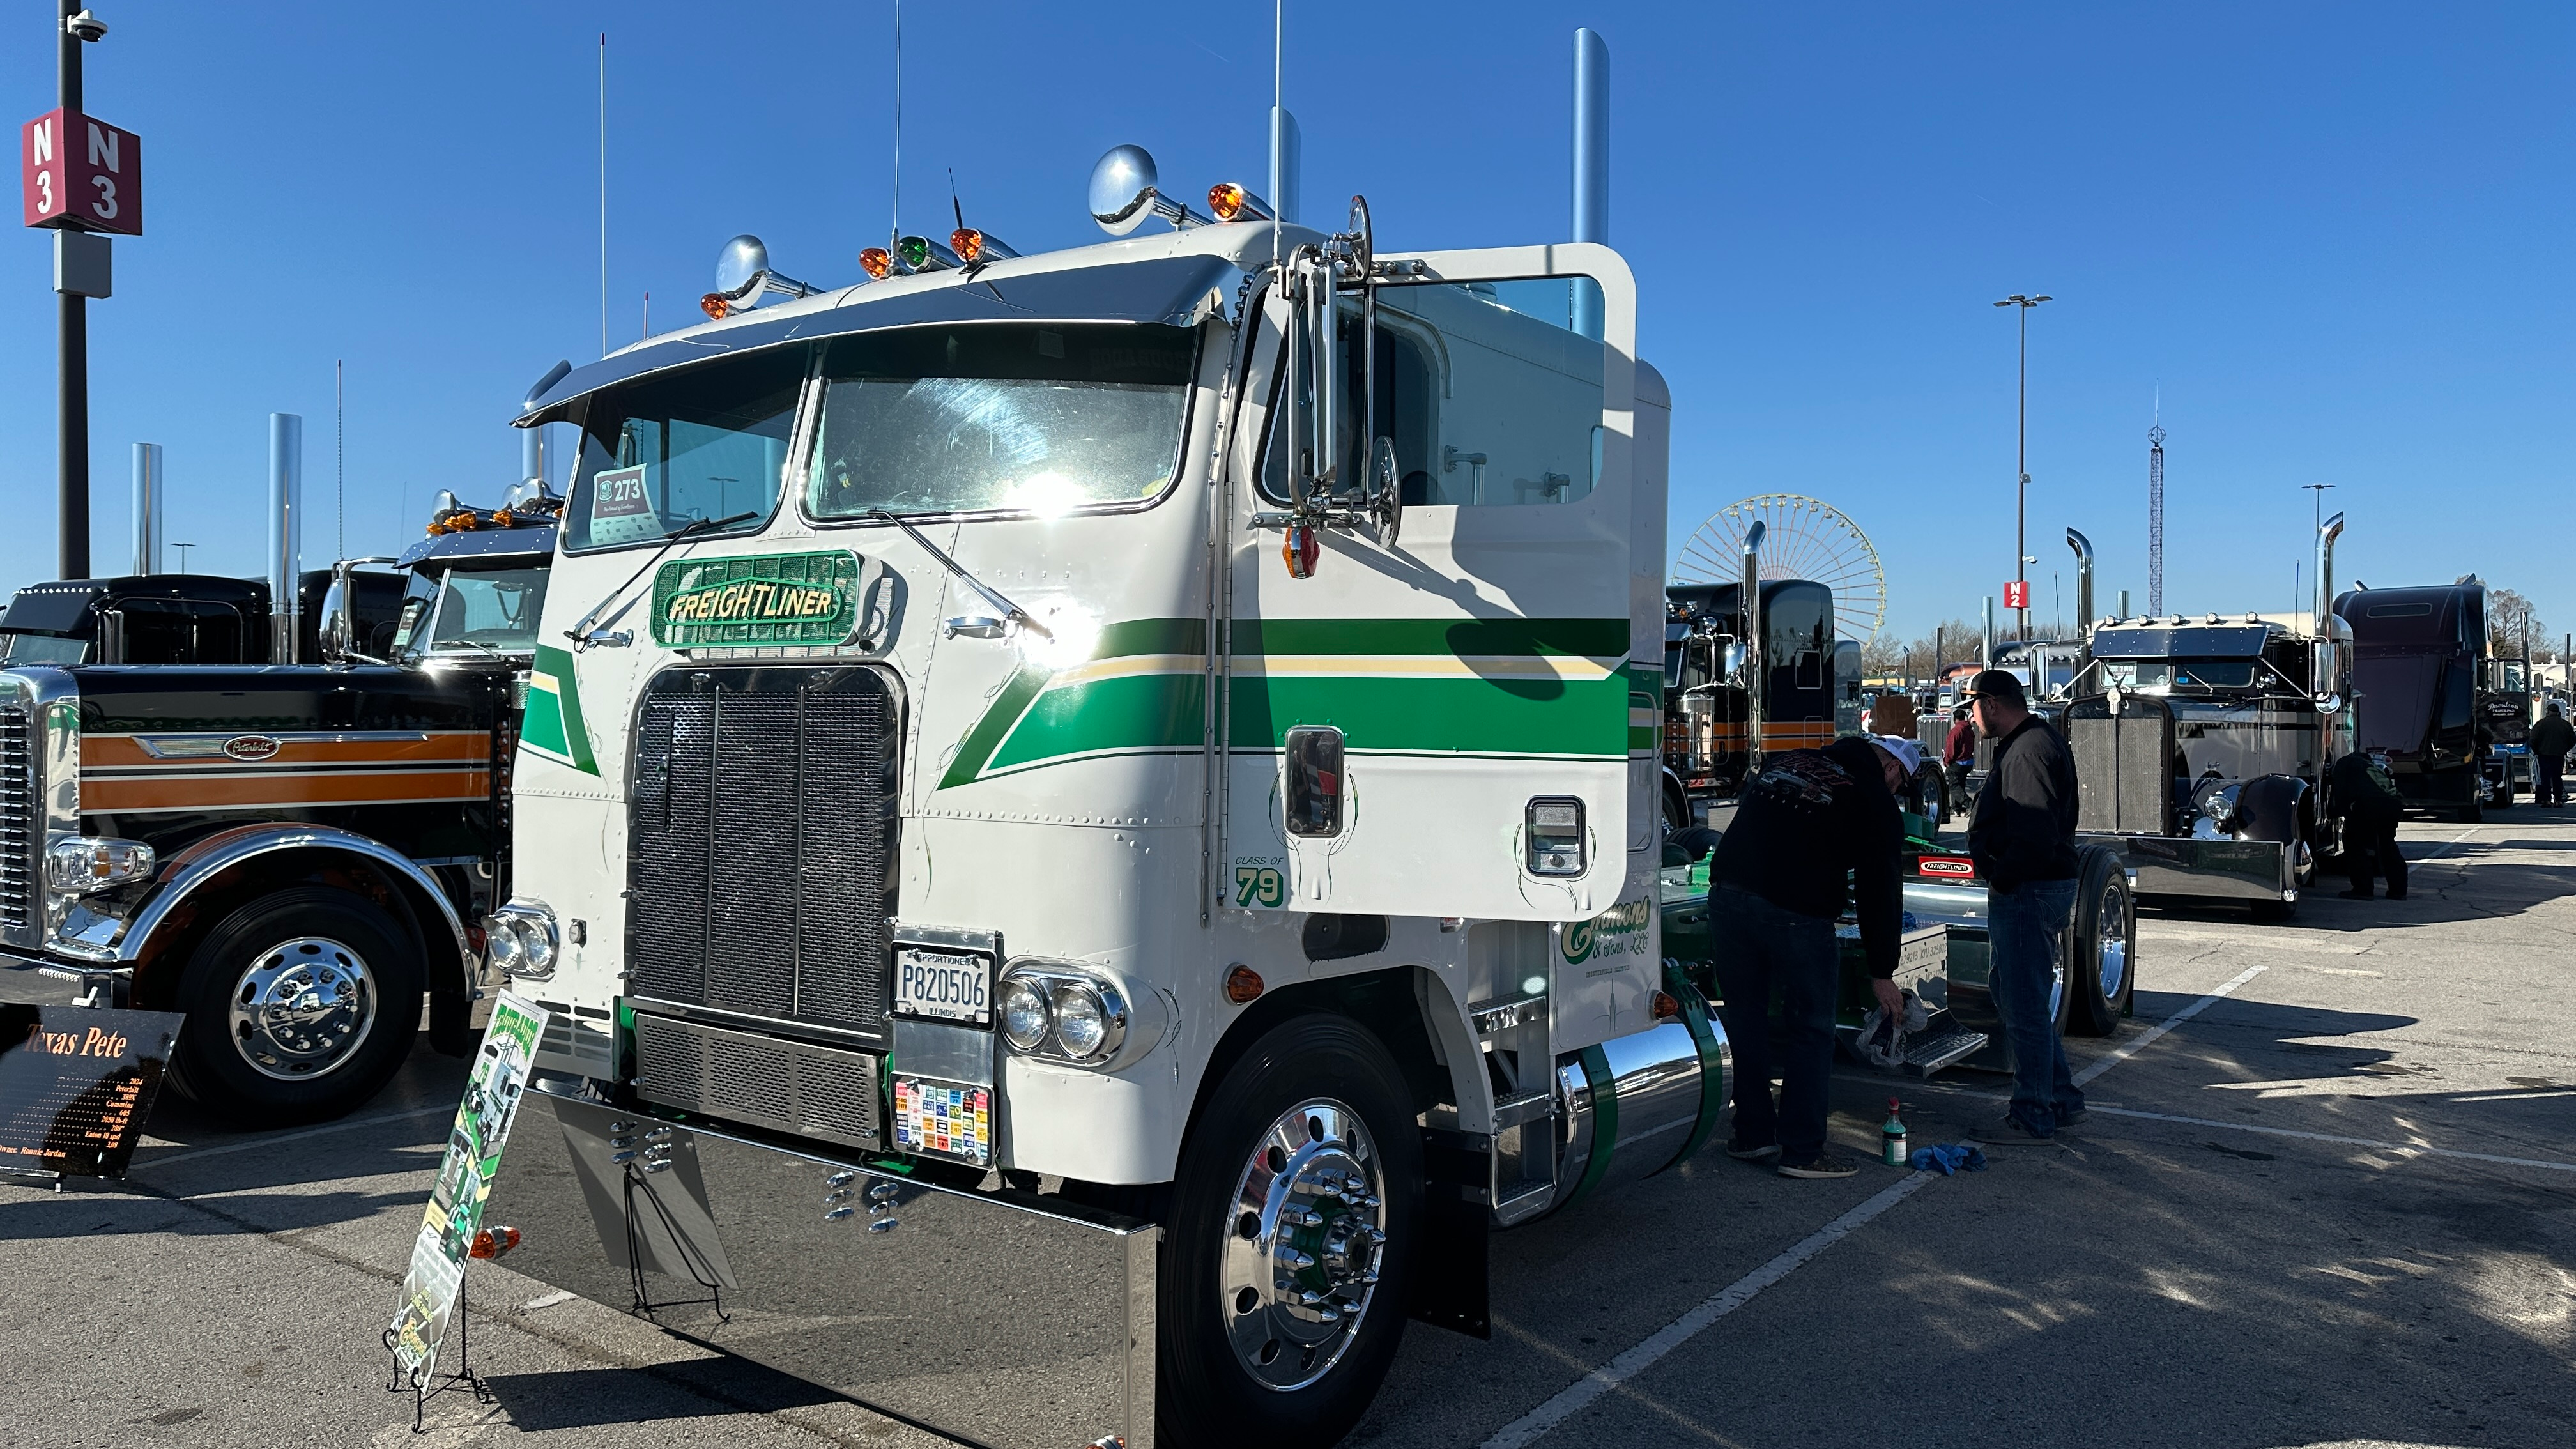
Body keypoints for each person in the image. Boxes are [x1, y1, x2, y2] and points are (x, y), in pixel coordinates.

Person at [1703, 733, 1916, 1180]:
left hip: (1727, 897)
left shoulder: (1791, 760)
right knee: (1811, 1029)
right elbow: (1880, 891)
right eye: (1900, 784)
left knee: (1745, 1019)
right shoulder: (1873, 795)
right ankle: (1802, 1151)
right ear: (1892, 769)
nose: (1896, 791)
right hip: (1795, 913)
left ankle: (1752, 1134)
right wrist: (1882, 972)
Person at [1958, 670, 2084, 1146]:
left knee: (2024, 1004)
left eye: (1973, 706)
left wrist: (2003, 877)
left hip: (2029, 890)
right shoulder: (2030, 742)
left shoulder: (2029, 749)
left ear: (1992, 703)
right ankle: (2061, 1098)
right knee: (2016, 995)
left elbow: (2034, 834)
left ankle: (2032, 1114)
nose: (1970, 718)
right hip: (2034, 887)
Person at [2330, 747, 2407, 899]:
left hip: (2369, 804)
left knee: (2355, 844)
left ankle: (2363, 889)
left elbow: (2340, 792)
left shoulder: (2345, 763)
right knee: (2388, 845)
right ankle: (2399, 891)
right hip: (2394, 804)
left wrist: (2334, 813)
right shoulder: (2373, 767)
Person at [2532, 700, 2574, 808]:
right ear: (2558, 712)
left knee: (2545, 778)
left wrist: (2537, 751)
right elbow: (2572, 740)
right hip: (2559, 755)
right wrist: (2565, 749)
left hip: (2544, 755)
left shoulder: (2541, 724)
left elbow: (2533, 740)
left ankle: (2546, 800)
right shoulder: (2565, 725)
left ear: (2548, 712)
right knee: (2557, 778)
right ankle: (2558, 800)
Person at [1942, 706, 1977, 801]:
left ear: (1955, 719)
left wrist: (1947, 761)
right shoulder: (1969, 730)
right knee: (1960, 785)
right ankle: (1957, 807)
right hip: (1968, 762)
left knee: (1954, 786)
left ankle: (1969, 803)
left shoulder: (1956, 731)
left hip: (1959, 762)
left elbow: (1951, 749)